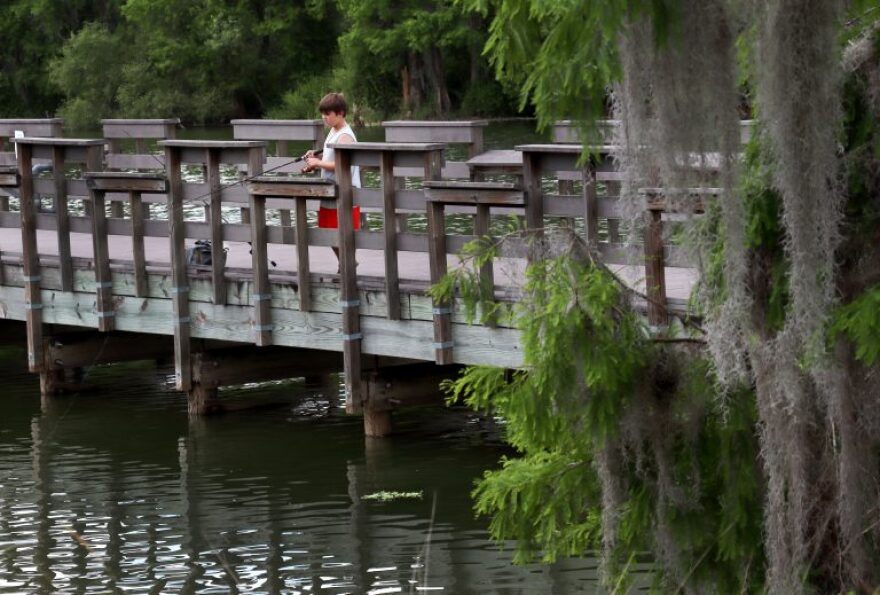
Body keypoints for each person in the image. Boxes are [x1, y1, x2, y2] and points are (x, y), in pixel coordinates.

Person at [303, 92, 361, 265]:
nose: (324, 117)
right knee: (327, 231)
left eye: (328, 113)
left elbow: (340, 164)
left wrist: (318, 163)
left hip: (345, 192)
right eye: (323, 113)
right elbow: (330, 157)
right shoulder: (334, 131)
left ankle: (347, 263)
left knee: (343, 232)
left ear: (341, 112)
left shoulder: (346, 136)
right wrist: (315, 159)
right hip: (331, 190)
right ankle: (346, 262)